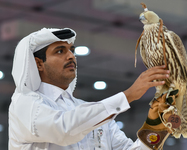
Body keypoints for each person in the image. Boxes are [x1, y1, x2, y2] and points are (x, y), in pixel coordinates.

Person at [9, 28, 170, 150]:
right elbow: (64, 129)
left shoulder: (92, 112)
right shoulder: (24, 103)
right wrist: (127, 96)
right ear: (38, 63)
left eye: (72, 50)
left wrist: (158, 124)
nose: (71, 56)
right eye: (60, 51)